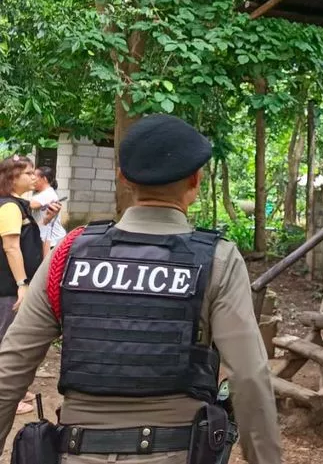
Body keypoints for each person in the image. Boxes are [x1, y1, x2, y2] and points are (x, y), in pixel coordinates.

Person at [0, 115, 281, 464]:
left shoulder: (69, 254)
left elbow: (9, 370)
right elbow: (250, 376)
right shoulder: (217, 260)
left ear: (124, 178)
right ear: (195, 181)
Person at [0, 155, 53, 416]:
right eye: (28, 173)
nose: (34, 176)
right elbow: (11, 247)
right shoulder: (9, 207)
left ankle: (17, 390)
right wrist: (22, 284)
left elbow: (27, 240)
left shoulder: (19, 206)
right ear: (11, 179)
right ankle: (6, 395)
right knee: (6, 339)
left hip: (13, 285)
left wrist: (46, 221)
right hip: (8, 287)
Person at [28, 166, 65, 257]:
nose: (32, 178)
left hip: (53, 240)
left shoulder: (48, 194)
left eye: (34, 176)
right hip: (46, 238)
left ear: (44, 179)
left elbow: (29, 205)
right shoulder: (40, 194)